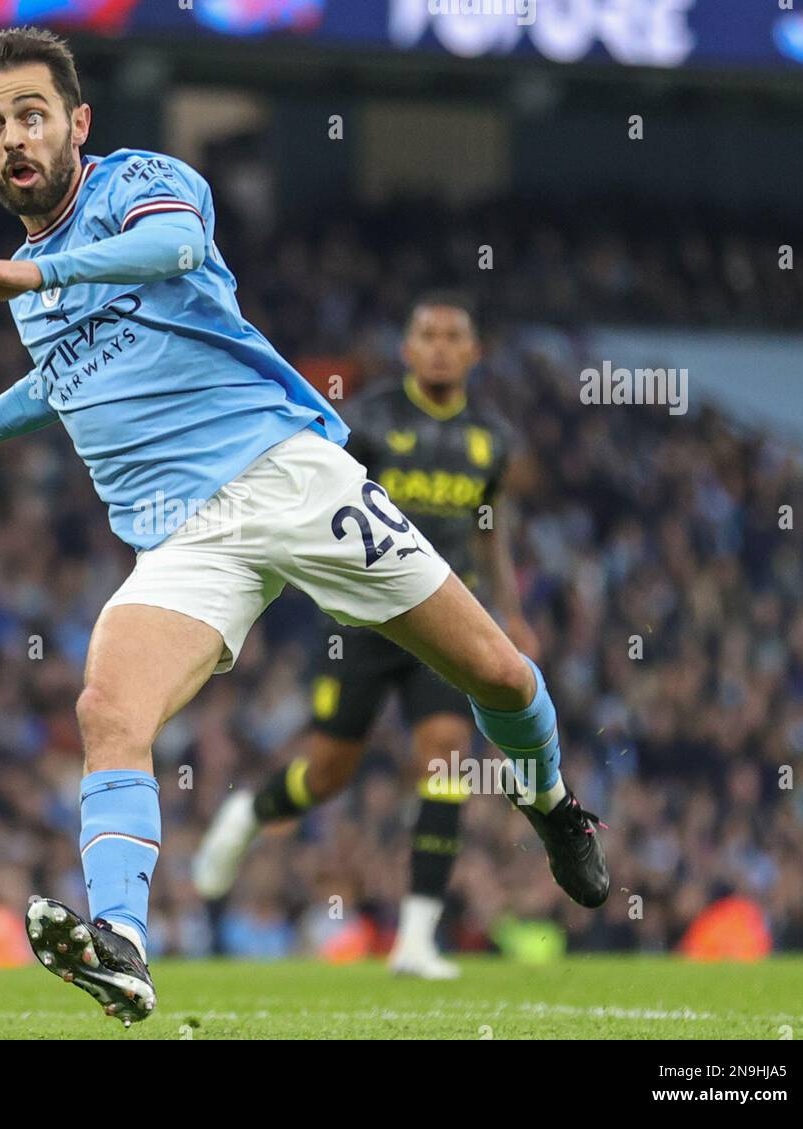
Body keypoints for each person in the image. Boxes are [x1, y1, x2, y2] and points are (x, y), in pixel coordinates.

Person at [0, 26, 608, 1027]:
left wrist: (40, 279)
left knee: (502, 678)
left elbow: (178, 247)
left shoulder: (138, 187)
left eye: (32, 115)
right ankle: (120, 941)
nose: (14, 137)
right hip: (186, 536)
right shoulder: (28, 280)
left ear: (76, 122)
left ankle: (550, 803)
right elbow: (57, 385)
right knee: (107, 710)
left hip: (289, 476)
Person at [193, 293, 535, 979]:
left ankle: (415, 939)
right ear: (408, 349)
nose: (439, 346)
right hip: (364, 621)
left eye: (453, 335)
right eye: (427, 334)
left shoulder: (493, 440)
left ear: (473, 352)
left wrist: (510, 608)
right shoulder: (370, 421)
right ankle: (249, 811)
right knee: (327, 775)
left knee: (444, 760)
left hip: (445, 620)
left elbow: (490, 527)